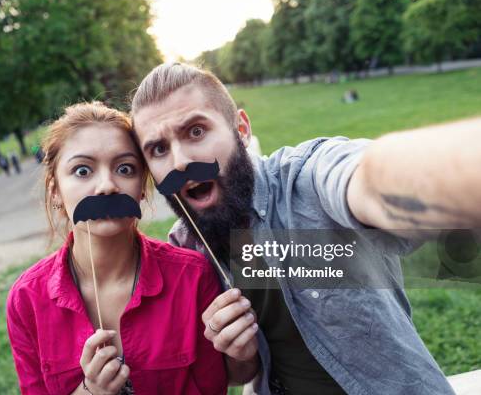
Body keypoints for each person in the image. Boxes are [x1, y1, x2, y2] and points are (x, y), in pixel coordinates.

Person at [130, 63, 481, 394]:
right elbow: (242, 373)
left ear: (242, 129)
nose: (179, 162)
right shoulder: (187, 248)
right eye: (159, 149)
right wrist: (237, 351)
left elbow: (367, 178)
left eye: (196, 131)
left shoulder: (305, 180)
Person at [6, 102, 228, 395]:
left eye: (124, 168)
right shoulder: (26, 301)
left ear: (142, 187)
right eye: (82, 170)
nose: (107, 186)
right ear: (55, 190)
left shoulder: (193, 276)